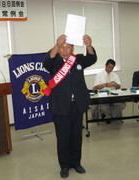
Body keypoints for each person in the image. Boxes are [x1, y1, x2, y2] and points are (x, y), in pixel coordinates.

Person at [42, 34, 97, 178]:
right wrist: (56, 44)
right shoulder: (54, 62)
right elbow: (46, 63)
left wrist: (88, 45)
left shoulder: (78, 59)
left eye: (68, 47)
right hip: (60, 106)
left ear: (72, 48)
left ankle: (76, 163)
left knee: (76, 136)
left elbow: (92, 58)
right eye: (62, 47)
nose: (65, 50)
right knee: (63, 137)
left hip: (77, 105)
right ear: (59, 49)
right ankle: (64, 166)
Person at [91, 59, 126, 123]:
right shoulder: (99, 74)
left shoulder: (115, 75)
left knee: (122, 105)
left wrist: (115, 85)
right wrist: (105, 85)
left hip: (113, 95)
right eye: (109, 67)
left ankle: (109, 116)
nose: (110, 69)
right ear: (105, 66)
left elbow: (119, 86)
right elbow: (96, 87)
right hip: (103, 96)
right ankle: (109, 116)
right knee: (104, 107)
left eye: (112, 68)